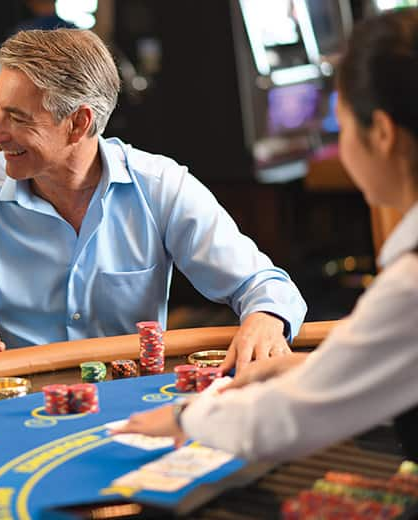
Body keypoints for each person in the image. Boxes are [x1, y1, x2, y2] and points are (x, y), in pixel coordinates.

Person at [0, 29, 306, 369]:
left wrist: (266, 317)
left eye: (17, 117)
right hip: (16, 403)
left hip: (129, 398)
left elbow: (265, 286)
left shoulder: (160, 186)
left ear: (79, 123)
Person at [115, 8, 418, 462]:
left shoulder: (409, 284)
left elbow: (293, 419)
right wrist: (307, 367)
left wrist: (185, 419)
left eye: (341, 119)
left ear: (382, 133)